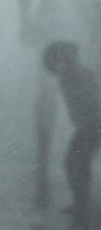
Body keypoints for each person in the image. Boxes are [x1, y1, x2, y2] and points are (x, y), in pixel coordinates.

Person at [19, 0, 101, 208]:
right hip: (91, 11)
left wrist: (25, 20)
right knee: (92, 83)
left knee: (48, 89)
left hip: (53, 12)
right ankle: (88, 151)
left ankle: (42, 161)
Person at [42, 41, 100, 219]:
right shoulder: (69, 76)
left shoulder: (79, 75)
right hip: (87, 126)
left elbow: (93, 101)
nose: (58, 63)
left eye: (60, 58)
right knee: (76, 164)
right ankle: (81, 204)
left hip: (91, 125)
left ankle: (81, 205)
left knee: (74, 163)